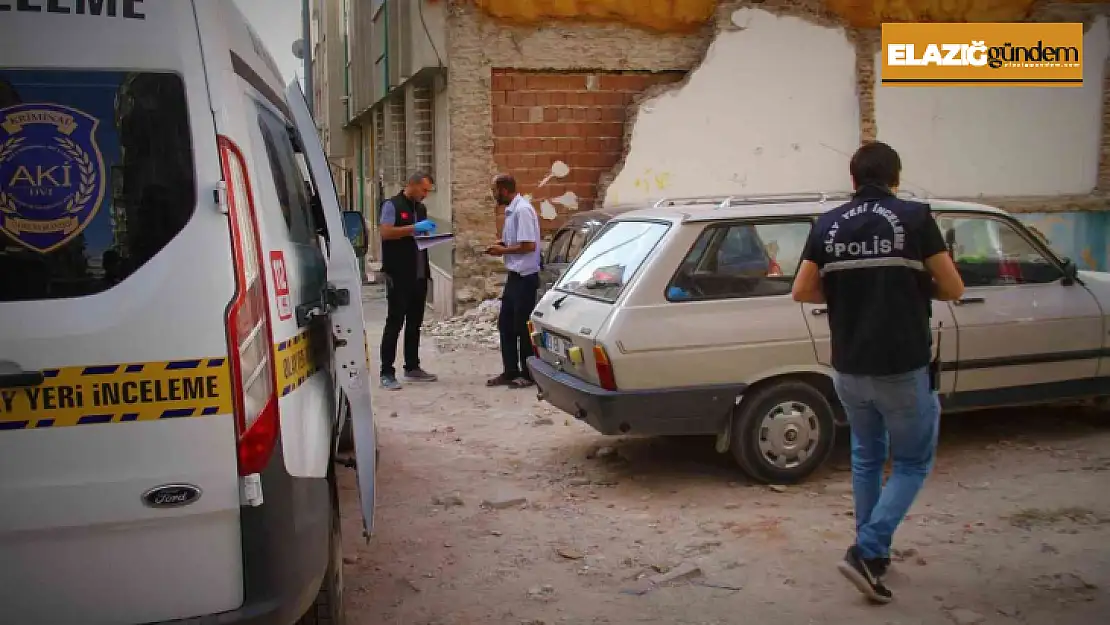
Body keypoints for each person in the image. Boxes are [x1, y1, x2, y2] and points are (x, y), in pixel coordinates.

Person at [791, 142, 965, 604]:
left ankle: (875, 553)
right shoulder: (914, 218)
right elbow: (953, 286)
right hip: (901, 366)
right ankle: (867, 551)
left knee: (867, 457)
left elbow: (802, 291)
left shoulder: (827, 225)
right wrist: (902, 287)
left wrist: (854, 293)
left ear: (853, 180)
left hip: (849, 367)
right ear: (895, 178)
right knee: (911, 461)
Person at [378, 171, 440, 390]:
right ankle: (386, 372)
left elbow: (417, 238)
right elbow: (386, 233)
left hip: (419, 274)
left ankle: (412, 367)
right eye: (423, 190)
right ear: (411, 185)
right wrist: (413, 229)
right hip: (399, 274)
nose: (425, 195)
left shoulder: (420, 208)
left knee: (415, 323)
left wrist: (428, 235)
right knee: (395, 323)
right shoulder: (392, 205)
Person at [485, 173, 542, 389]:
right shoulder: (511, 211)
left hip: (526, 277)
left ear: (504, 190)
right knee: (506, 325)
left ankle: (527, 374)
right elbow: (517, 241)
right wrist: (502, 244)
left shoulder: (523, 210)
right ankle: (510, 371)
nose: (493, 196)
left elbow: (529, 246)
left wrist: (503, 250)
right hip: (514, 276)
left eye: (495, 191)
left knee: (522, 327)